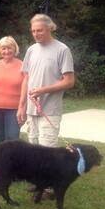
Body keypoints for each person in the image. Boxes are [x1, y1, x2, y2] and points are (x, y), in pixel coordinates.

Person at [17, 14, 75, 147]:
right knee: (33, 151)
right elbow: (26, 78)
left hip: (50, 110)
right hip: (31, 111)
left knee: (47, 153)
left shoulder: (62, 50)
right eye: (33, 31)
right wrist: (21, 106)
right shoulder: (31, 50)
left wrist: (43, 90)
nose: (36, 34)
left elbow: (69, 81)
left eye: (39, 30)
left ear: (50, 28)